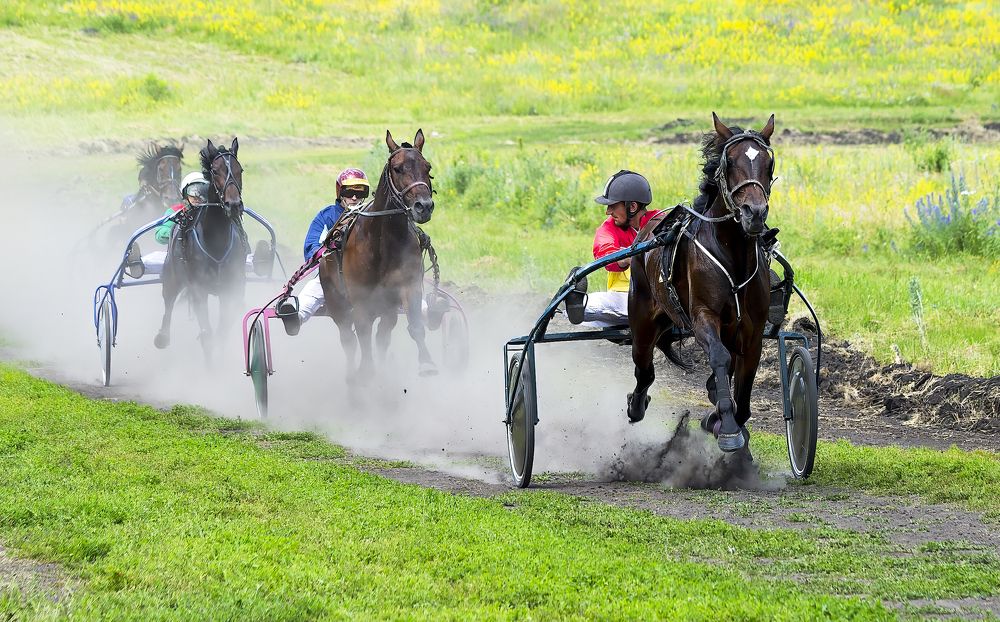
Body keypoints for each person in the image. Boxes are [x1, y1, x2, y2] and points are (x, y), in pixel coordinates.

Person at [277, 168, 370, 335]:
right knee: (314, 288)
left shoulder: (372, 217)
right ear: (340, 192)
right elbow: (311, 246)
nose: (355, 197)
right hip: (334, 275)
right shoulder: (327, 216)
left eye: (360, 192)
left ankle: (423, 309)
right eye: (349, 192)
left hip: (368, 276)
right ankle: (296, 318)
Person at [565, 170, 661, 327]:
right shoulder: (608, 228)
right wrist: (628, 257)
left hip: (664, 299)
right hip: (625, 300)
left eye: (613, 206)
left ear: (633, 206)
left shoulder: (661, 220)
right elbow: (604, 252)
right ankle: (575, 303)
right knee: (587, 307)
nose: (608, 211)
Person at [127, 172, 210, 278]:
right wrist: (178, 231)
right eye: (194, 192)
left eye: (204, 192)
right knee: (163, 258)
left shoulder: (212, 213)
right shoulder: (176, 212)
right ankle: (139, 265)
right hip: (180, 257)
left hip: (208, 257)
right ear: (184, 194)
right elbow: (160, 234)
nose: (199, 197)